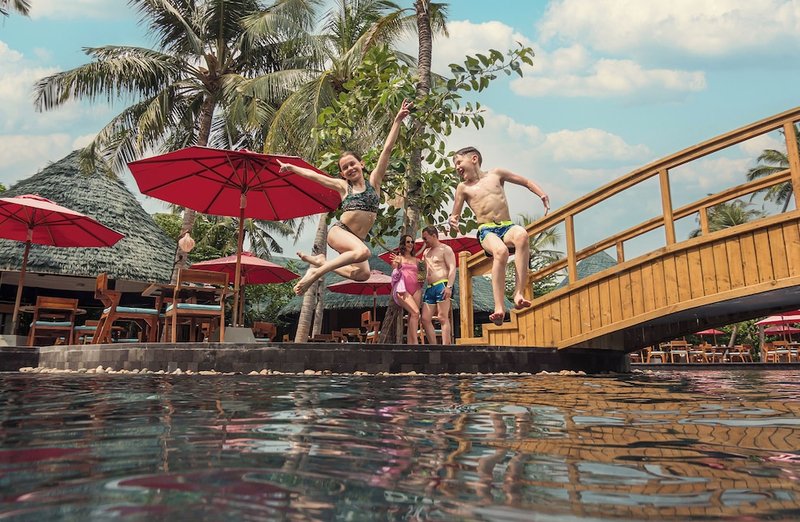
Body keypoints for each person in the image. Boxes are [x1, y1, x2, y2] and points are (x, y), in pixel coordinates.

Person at [277, 100, 412, 295]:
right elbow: (315, 176)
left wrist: (398, 120)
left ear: (362, 164)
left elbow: (387, 150)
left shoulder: (374, 182)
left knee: (363, 274)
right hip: (340, 232)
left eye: (352, 164)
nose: (350, 169)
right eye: (345, 167)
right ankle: (316, 274)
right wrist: (291, 168)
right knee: (364, 252)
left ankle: (322, 262)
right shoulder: (343, 186)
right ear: (341, 174)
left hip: (355, 240)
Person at [448, 146, 549, 325]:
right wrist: (453, 221)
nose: (456, 167)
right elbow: (455, 215)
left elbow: (525, 181)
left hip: (506, 225)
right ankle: (499, 307)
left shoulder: (496, 174)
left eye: (458, 162)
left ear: (474, 158)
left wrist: (541, 194)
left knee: (522, 235)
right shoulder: (463, 188)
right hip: (486, 230)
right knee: (501, 252)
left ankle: (518, 293)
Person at [419, 226, 456, 344]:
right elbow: (421, 271)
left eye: (426, 238)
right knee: (425, 318)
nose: (424, 241)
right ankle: (433, 346)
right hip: (430, 287)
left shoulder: (445, 249)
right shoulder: (425, 252)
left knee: (442, 317)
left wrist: (449, 286)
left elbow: (452, 268)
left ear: (434, 235)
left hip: (442, 284)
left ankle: (446, 347)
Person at [390, 234, 423, 345]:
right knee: (416, 313)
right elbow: (394, 277)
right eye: (408, 242)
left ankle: (410, 345)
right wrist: (399, 266)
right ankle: (415, 344)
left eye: (412, 242)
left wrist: (424, 269)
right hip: (403, 289)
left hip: (417, 289)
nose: (410, 244)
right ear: (403, 244)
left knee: (412, 316)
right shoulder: (398, 258)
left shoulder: (418, 260)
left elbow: (422, 277)